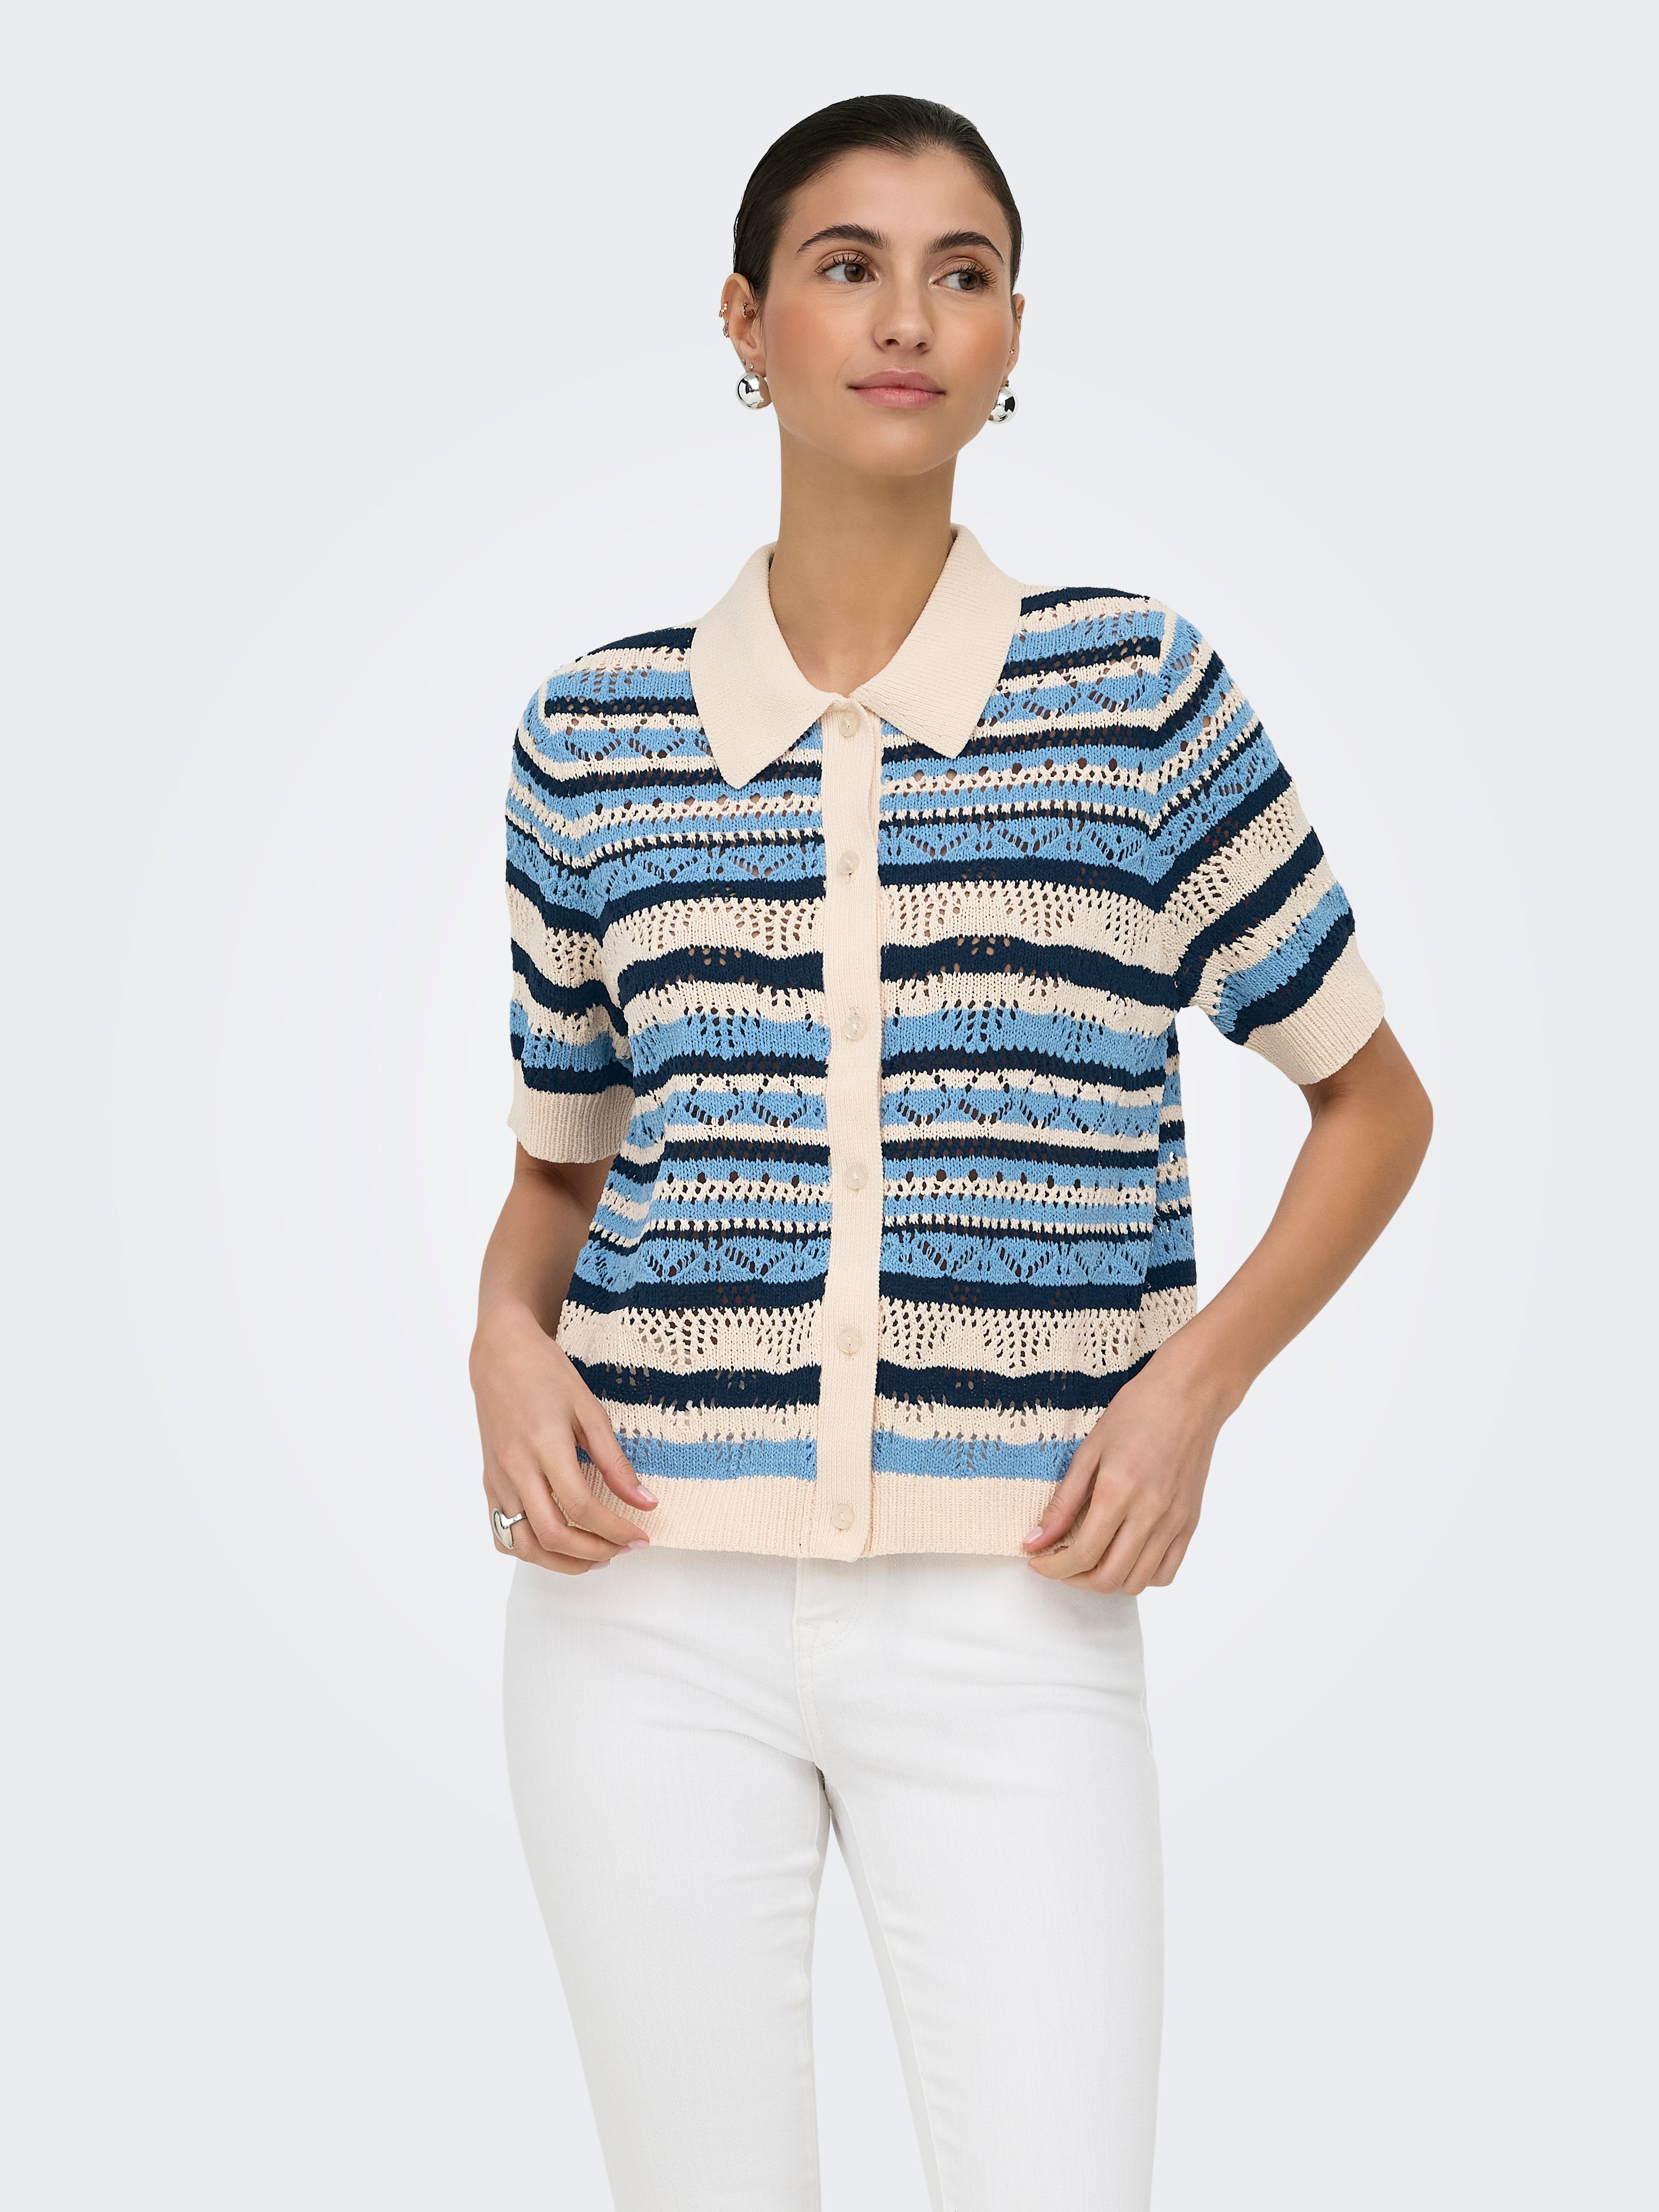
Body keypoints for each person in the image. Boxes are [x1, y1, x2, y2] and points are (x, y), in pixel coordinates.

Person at [469, 93, 1432, 2212]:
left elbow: (1374, 1102)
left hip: (1017, 1611)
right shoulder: (589, 737)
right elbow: (563, 1162)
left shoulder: (1137, 696)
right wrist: (498, 1340)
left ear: (1010, 336)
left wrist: (1187, 1390)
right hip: (636, 1606)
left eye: (962, 272)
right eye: (848, 266)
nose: (907, 317)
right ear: (747, 321)